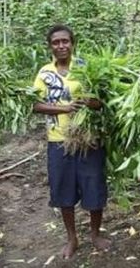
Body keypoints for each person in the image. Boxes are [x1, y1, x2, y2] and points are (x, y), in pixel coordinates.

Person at [33, 25, 111, 260]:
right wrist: (64, 107)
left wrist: (91, 102)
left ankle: (95, 234)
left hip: (88, 139)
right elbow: (35, 105)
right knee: (63, 188)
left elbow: (102, 101)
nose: (61, 46)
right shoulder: (44, 73)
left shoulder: (85, 67)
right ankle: (71, 238)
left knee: (94, 185)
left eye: (65, 41)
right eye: (56, 42)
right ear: (50, 46)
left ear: (72, 43)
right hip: (58, 140)